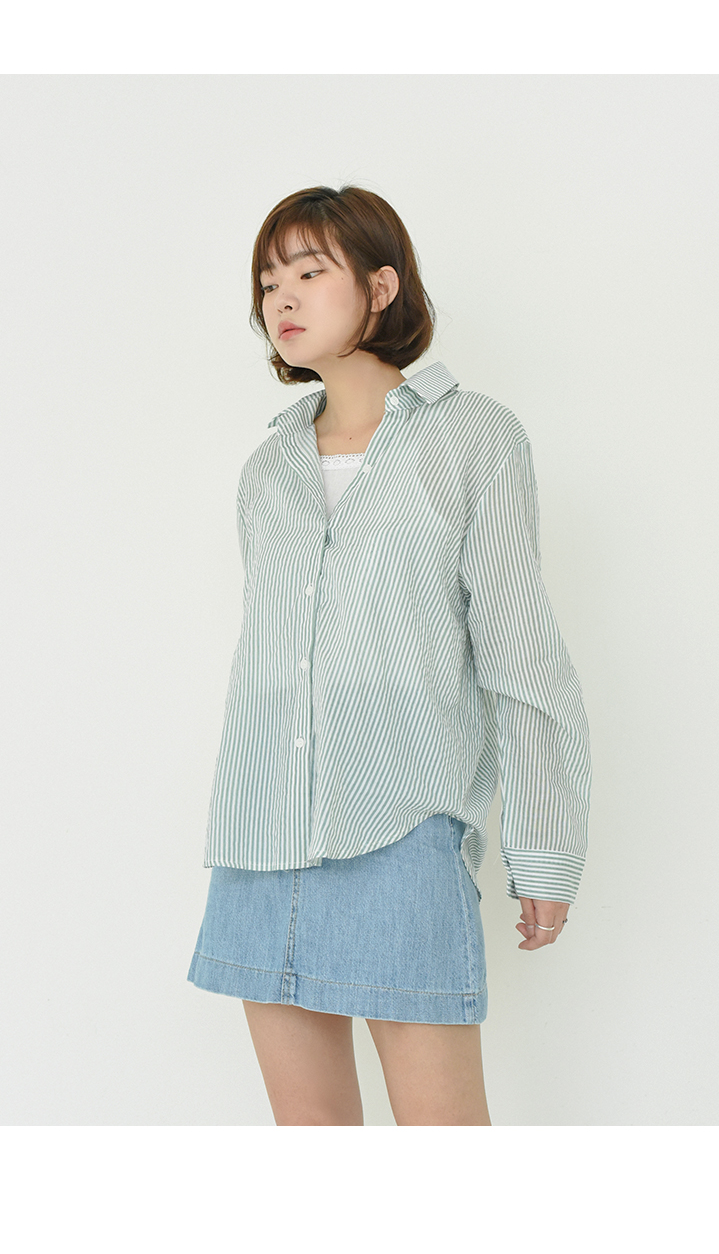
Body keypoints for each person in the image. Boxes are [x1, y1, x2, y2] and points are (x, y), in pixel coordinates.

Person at [187, 182, 591, 1127]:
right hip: (260, 839)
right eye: (267, 281)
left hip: (399, 832)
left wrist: (544, 851)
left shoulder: (473, 438)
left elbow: (523, 657)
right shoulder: (268, 470)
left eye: (308, 272)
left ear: (380, 287)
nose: (280, 298)